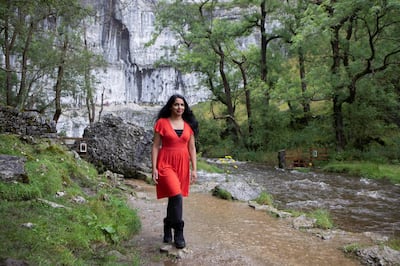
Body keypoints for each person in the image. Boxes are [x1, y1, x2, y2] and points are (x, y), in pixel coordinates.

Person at [151, 94, 199, 249]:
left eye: (182, 105)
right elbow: (155, 146)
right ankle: (179, 231)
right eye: (177, 104)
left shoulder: (188, 125)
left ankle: (167, 224)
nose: (180, 108)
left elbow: (192, 148)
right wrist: (154, 169)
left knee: (174, 198)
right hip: (165, 163)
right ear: (170, 106)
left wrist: (194, 169)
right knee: (177, 196)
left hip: (182, 165)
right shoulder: (162, 123)